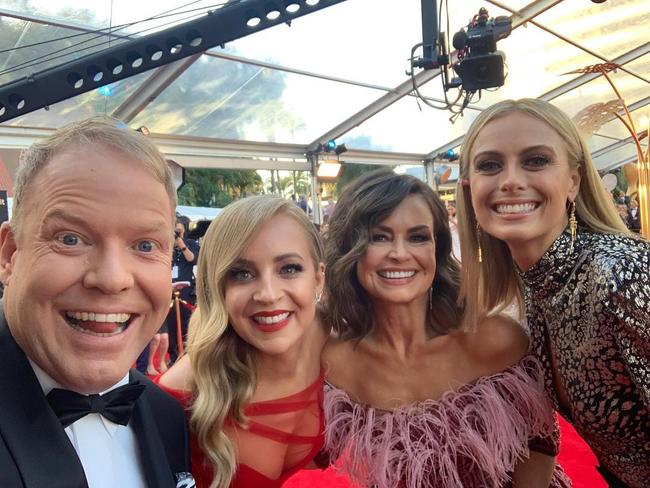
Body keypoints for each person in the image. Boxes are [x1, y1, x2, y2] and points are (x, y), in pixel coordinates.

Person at [320, 170, 569, 488]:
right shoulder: (334, 362)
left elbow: (540, 444)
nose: (399, 253)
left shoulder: (495, 339)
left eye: (418, 237)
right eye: (379, 237)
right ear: (349, 250)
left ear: (437, 250)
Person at [456, 98, 649, 487]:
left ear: (573, 181)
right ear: (468, 186)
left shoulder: (618, 273)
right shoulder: (534, 285)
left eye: (536, 160)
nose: (510, 180)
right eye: (490, 165)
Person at [0, 117, 192, 487]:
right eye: (70, 239)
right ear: (10, 254)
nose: (112, 278)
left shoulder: (168, 417)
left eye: (145, 246)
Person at [156, 196, 327, 488]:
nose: (269, 294)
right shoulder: (178, 398)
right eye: (242, 274)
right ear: (216, 287)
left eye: (289, 268)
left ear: (319, 279)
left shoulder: (338, 346)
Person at [165, 216, 200, 364]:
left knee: (187, 324)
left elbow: (193, 259)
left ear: (184, 229)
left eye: (178, 230)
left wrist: (181, 244)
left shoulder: (191, 244)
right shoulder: (167, 246)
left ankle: (187, 356)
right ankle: (173, 357)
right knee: (170, 326)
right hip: (168, 290)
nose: (176, 233)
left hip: (186, 291)